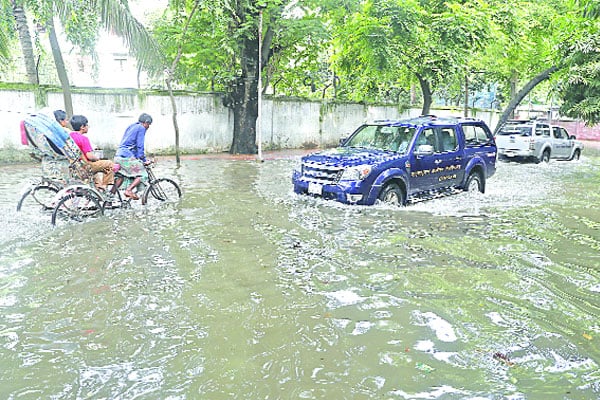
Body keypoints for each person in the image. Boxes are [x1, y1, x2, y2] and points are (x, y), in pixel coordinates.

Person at [69, 114, 115, 192]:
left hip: (75, 166)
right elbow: (89, 156)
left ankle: (98, 188)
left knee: (96, 171)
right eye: (87, 125)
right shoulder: (83, 139)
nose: (88, 127)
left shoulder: (70, 136)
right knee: (109, 164)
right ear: (82, 127)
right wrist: (97, 158)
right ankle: (105, 187)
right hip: (86, 166)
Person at [114, 113, 153, 200]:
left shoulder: (132, 126)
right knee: (142, 174)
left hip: (118, 156)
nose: (148, 127)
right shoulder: (141, 128)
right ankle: (129, 190)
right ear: (145, 122)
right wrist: (144, 160)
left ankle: (109, 198)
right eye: (148, 124)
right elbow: (140, 146)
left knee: (121, 177)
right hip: (126, 157)